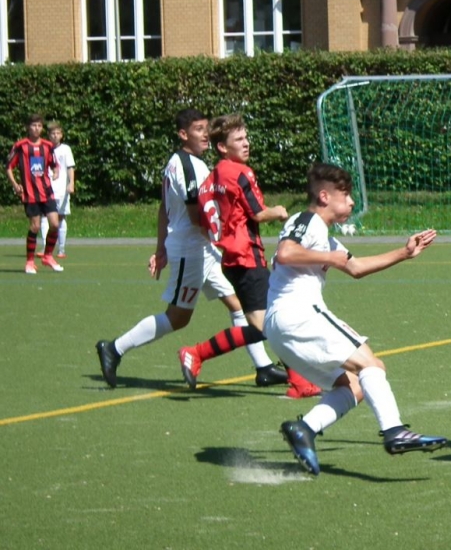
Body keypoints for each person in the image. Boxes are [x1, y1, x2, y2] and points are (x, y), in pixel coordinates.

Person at [272, 163, 447, 475]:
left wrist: (404, 253)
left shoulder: (325, 237)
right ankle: (394, 431)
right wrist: (328, 258)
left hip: (282, 327)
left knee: (353, 386)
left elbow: (355, 267)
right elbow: (285, 253)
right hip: (298, 313)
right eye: (346, 194)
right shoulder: (306, 220)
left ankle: (305, 429)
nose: (352, 202)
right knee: (371, 364)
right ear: (324, 196)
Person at [95, 108, 288, 390]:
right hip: (192, 249)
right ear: (183, 134)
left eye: (206, 129)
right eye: (199, 130)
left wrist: (161, 248)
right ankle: (114, 348)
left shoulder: (183, 163)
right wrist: (228, 228)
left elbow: (164, 208)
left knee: (237, 304)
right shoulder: (189, 167)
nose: (205, 135)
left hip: (203, 248)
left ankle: (264, 367)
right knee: (178, 318)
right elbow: (198, 217)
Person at [180, 113, 318, 397]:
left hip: (231, 259)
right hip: (246, 257)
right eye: (239, 139)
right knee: (272, 323)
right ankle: (197, 353)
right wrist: (278, 212)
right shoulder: (242, 173)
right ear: (222, 147)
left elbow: (204, 222)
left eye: (246, 137)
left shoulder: (210, 179)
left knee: (266, 323)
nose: (246, 143)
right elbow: (258, 213)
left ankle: (298, 381)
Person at [7, 113, 62, 274]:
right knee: (35, 226)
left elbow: (54, 164)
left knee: (55, 224)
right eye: (33, 125)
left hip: (47, 192)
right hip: (30, 194)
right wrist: (15, 184)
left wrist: (56, 171)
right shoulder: (21, 146)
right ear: (28, 127)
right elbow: (8, 167)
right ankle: (30, 262)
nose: (36, 128)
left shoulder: (48, 146)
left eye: (39, 126)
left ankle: (48, 256)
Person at [38, 121, 74, 258]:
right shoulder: (43, 148)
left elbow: (70, 167)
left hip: (61, 190)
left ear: (61, 135)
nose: (55, 136)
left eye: (58, 133)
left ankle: (61, 249)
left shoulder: (66, 149)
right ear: (48, 135)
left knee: (60, 217)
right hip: (46, 188)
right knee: (44, 217)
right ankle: (45, 247)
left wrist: (71, 183)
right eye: (53, 133)